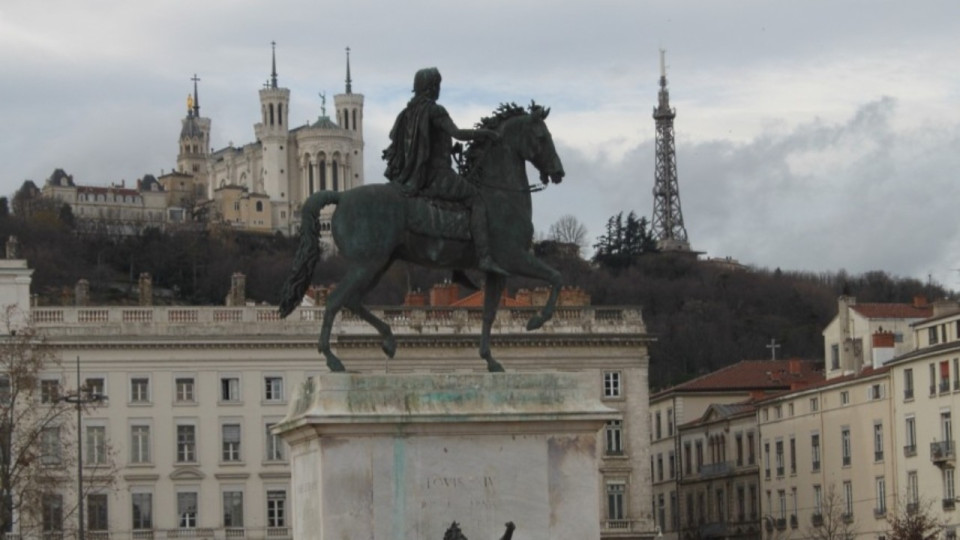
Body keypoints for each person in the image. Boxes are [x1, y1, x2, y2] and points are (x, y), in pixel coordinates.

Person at [383, 67, 508, 276]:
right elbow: (457, 133)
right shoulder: (434, 110)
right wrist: (485, 133)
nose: (438, 89)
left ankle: (457, 266)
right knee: (476, 199)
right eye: (437, 85)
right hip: (437, 176)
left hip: (414, 175)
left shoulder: (406, 114)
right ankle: (484, 257)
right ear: (432, 87)